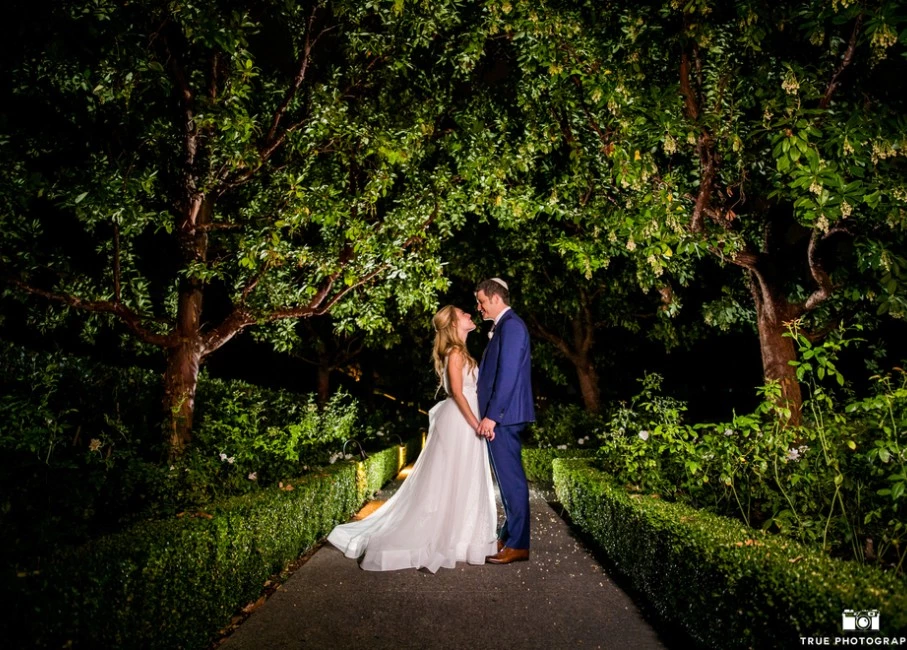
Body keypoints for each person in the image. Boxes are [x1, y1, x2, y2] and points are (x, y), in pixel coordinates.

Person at [326, 305, 497, 572]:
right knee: (450, 479)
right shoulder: (454, 353)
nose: (469, 315)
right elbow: (458, 394)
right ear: (453, 324)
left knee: (463, 478)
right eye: (464, 314)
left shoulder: (462, 352)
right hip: (462, 422)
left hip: (468, 421)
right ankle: (443, 538)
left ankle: (461, 539)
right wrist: (477, 424)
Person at [475, 277, 535, 565]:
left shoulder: (511, 326)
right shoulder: (504, 327)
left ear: (495, 299)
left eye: (482, 301)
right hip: (504, 416)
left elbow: (508, 375)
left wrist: (492, 416)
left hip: (505, 416)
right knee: (507, 480)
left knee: (511, 481)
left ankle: (519, 544)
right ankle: (509, 536)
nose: (479, 307)